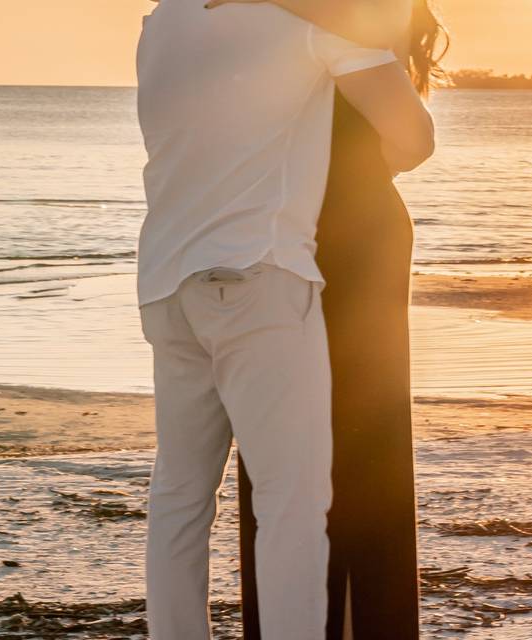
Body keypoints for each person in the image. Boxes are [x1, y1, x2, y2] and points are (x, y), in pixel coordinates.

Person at [134, 1, 436, 638]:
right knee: (292, 503)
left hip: (166, 281)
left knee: (179, 498)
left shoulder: (165, 18)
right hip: (259, 279)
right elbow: (414, 137)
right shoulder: (317, 20)